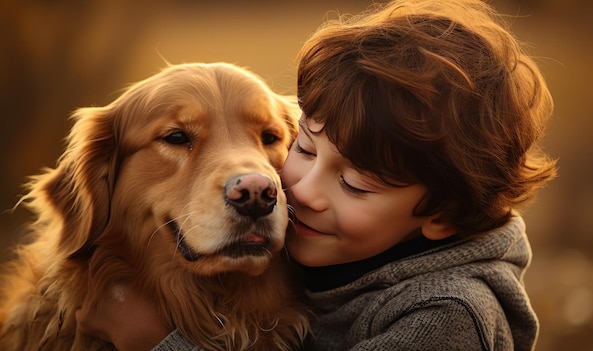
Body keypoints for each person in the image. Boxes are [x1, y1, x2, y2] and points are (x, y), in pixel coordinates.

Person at [77, 0, 557, 349]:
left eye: (354, 185)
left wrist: (158, 343)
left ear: (443, 217)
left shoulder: (446, 318)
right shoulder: (333, 250)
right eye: (302, 148)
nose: (296, 189)